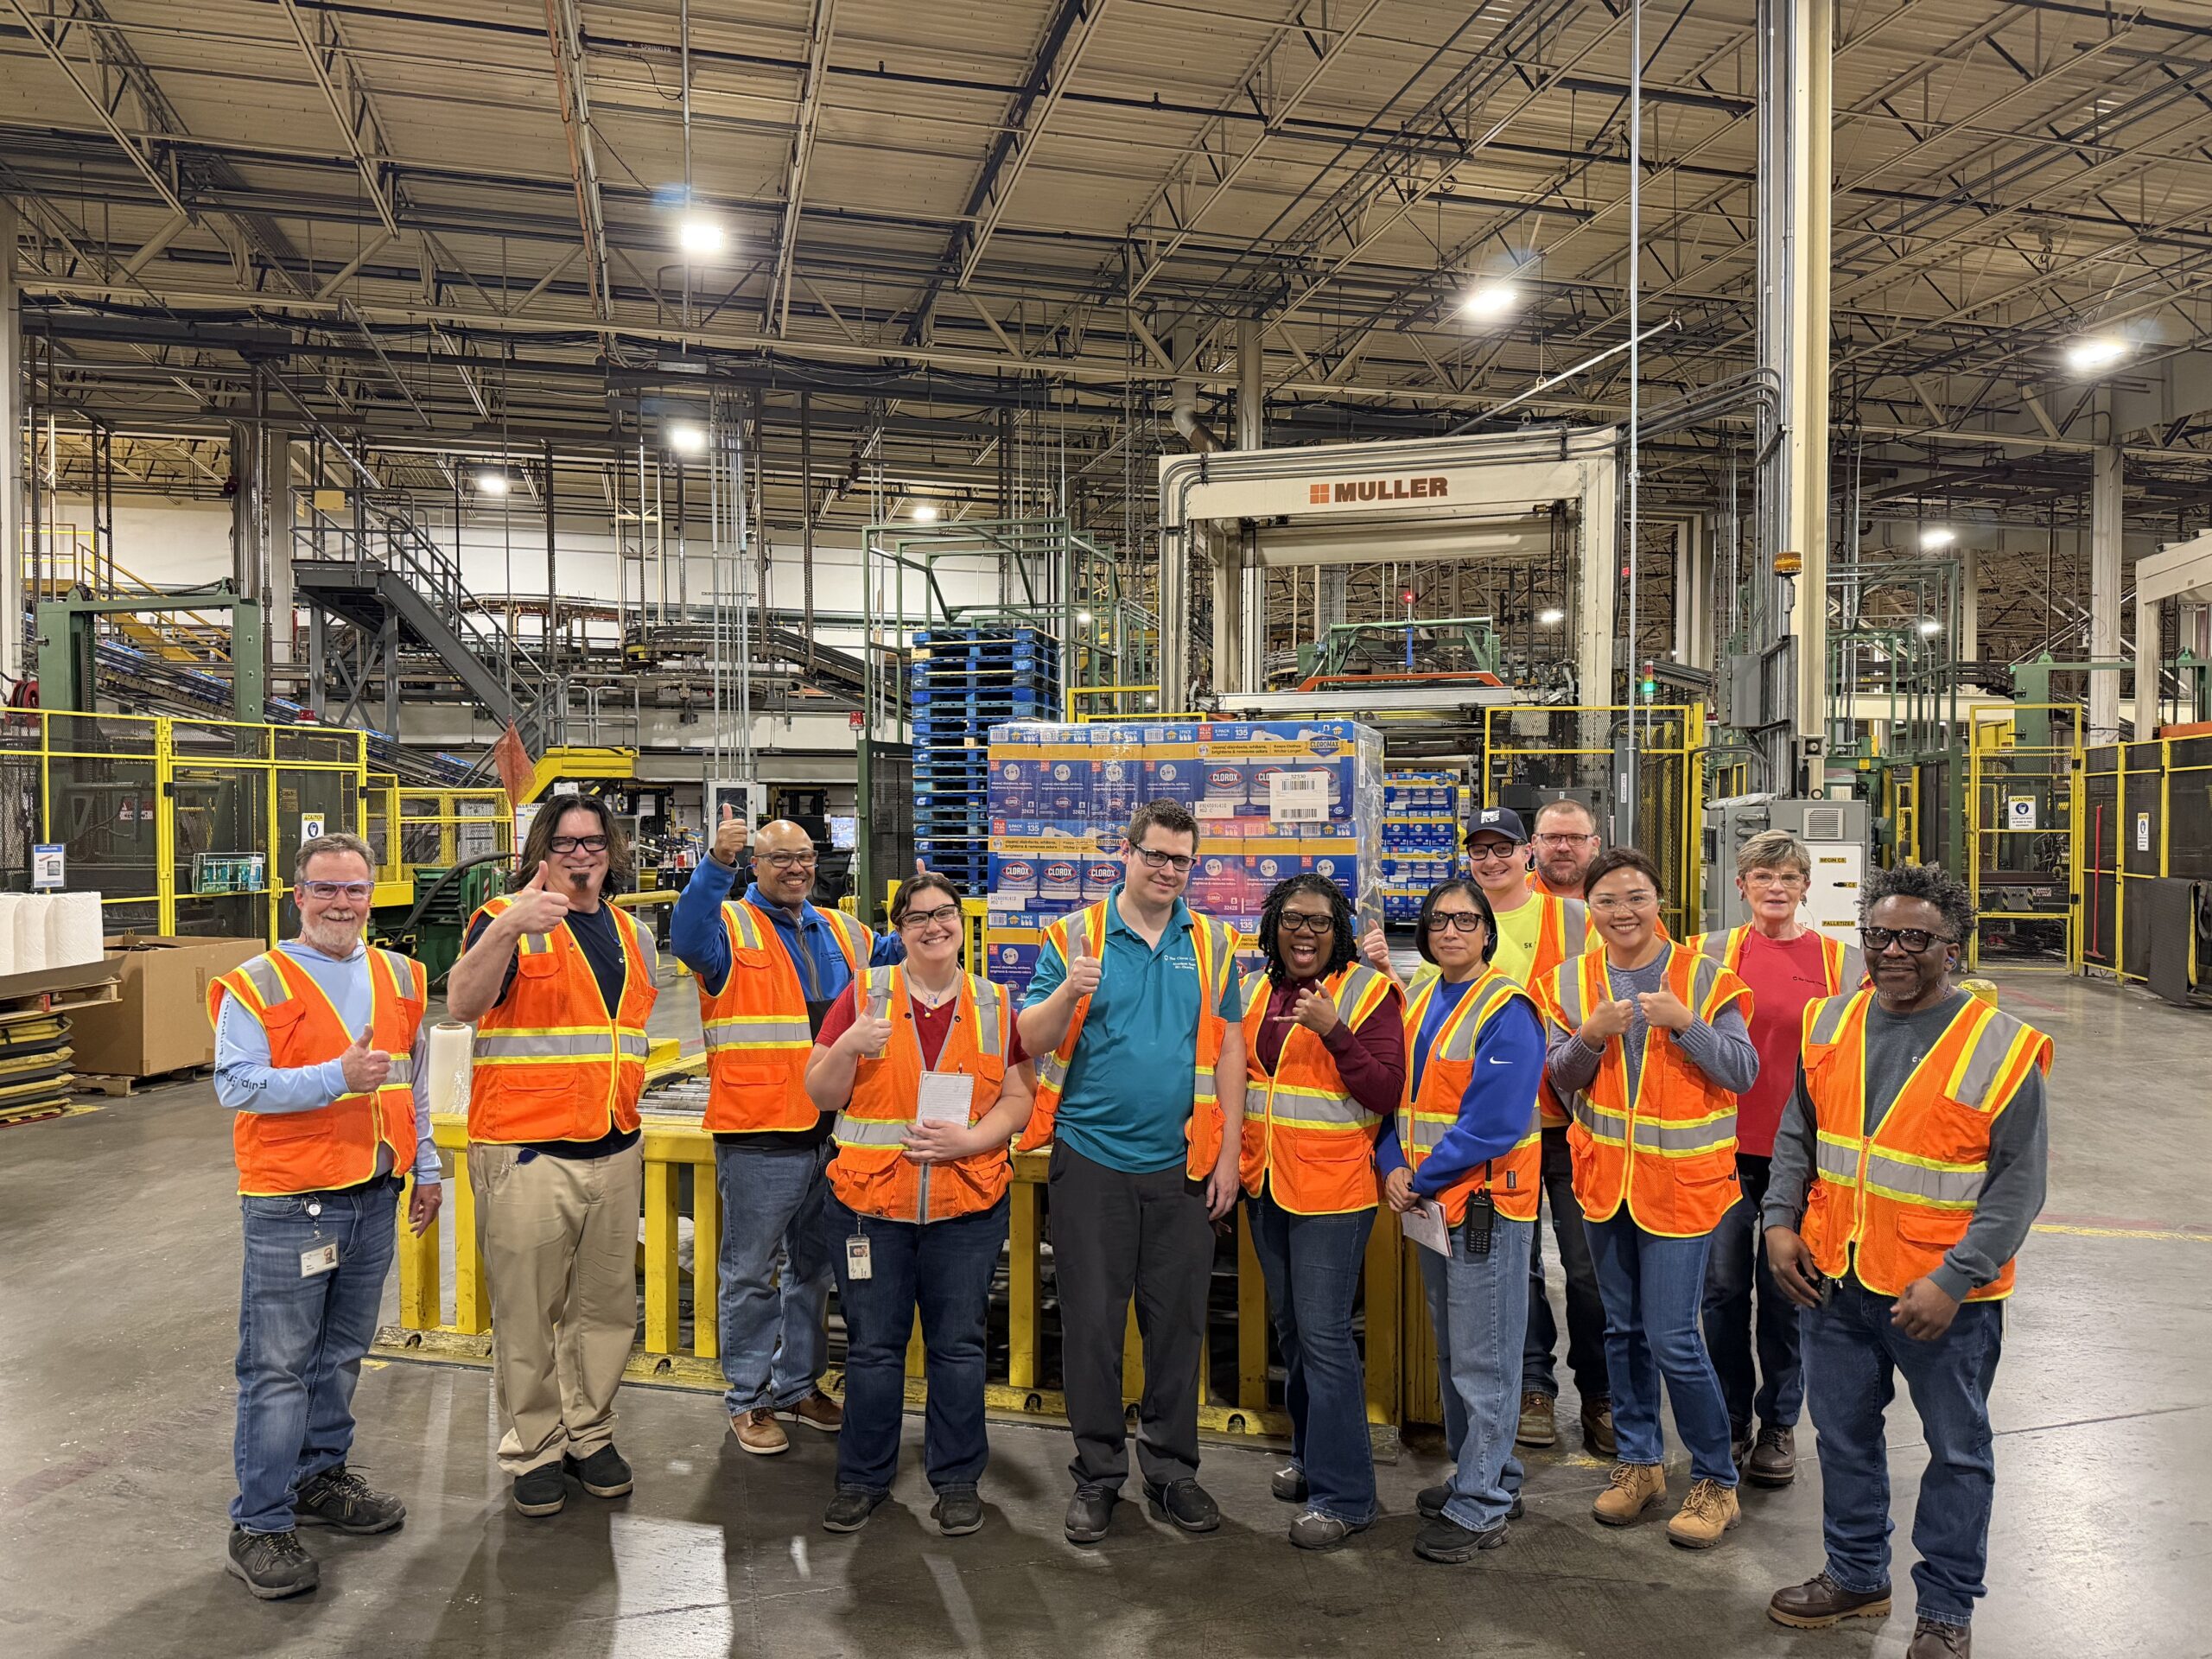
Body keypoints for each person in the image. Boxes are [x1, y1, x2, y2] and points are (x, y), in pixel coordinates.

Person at [1764, 865, 2050, 1659]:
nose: (1893, 951)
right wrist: (1779, 1221)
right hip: (1833, 1280)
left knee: (1958, 1454)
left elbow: (2018, 1185)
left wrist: (1956, 1278)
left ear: (1952, 948)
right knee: (1843, 1438)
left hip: (1941, 1302)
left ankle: (1947, 1611)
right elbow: (1797, 1132)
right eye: (1880, 935)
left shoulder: (1999, 1045)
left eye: (1915, 938)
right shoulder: (1831, 1022)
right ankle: (1857, 1576)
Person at [209, 832, 440, 1599]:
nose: (342, 903)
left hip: (375, 1193)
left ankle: (320, 1477)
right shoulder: (257, 982)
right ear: (297, 895)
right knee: (277, 1369)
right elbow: (237, 1085)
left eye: (354, 889)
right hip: (291, 1202)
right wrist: (334, 1076)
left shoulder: (401, 974)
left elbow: (413, 1083)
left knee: (341, 1354)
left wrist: (426, 1167)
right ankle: (259, 1523)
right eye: (326, 889)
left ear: (372, 895)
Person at [1015, 798, 1246, 1545]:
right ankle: (1098, 1474)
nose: (1167, 870)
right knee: (1091, 1325)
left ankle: (1173, 1471)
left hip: (1184, 1166)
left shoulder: (1212, 942)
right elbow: (1029, 1037)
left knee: (1176, 1325)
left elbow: (1231, 1049)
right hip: (1091, 1161)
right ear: (1126, 852)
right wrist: (1068, 990)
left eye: (1181, 859)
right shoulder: (1073, 936)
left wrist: (1230, 1152)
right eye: (1155, 855)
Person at [802, 874, 1038, 1537]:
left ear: (961, 922)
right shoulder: (866, 994)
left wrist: (973, 1140)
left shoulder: (994, 1003)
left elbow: (1019, 1098)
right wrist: (848, 1046)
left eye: (944, 914)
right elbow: (820, 1094)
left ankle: (957, 1482)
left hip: (966, 1208)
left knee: (958, 1348)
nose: (933, 926)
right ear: (898, 929)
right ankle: (862, 1479)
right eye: (917, 917)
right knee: (874, 1349)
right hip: (871, 1207)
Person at [1536, 847, 1758, 1548]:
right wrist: (1589, 1037)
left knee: (1673, 1338)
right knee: (1621, 1331)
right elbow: (1560, 1076)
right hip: (1605, 1185)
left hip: (1682, 1189)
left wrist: (1686, 1023)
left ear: (1659, 901)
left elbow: (1743, 1072)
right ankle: (1641, 1464)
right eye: (1606, 901)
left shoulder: (1705, 979)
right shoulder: (1569, 981)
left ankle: (1716, 1479)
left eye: (1635, 897)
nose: (1621, 912)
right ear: (1589, 909)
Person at [448, 795, 660, 1517]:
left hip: (615, 1145)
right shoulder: (504, 919)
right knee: (527, 1313)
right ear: (541, 851)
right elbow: (463, 1003)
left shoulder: (633, 934)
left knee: (606, 1308)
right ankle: (534, 1447)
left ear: (611, 851)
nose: (580, 855)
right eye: (565, 843)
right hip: (528, 1150)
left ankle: (589, 1433)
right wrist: (511, 925)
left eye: (593, 842)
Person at [670, 810, 903, 1456]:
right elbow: (686, 935)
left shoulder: (842, 929)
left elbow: (896, 957)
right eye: (780, 859)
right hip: (761, 1131)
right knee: (751, 1273)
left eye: (804, 858)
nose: (797, 869)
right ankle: (748, 1398)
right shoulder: (727, 926)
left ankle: (798, 1384)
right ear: (756, 865)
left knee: (814, 1271)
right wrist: (714, 864)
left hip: (837, 1130)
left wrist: (929, 914)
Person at [1373, 880, 1548, 1566]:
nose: (1451, 931)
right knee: (1454, 1353)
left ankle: (1481, 1505)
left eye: (1466, 920)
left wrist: (1419, 1178)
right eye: (1439, 919)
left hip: (1484, 1208)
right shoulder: (1421, 997)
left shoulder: (1508, 1008)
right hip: (1431, 1203)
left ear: (1487, 933)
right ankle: (1490, 1472)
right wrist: (1393, 1163)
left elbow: (1494, 1123)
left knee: (1486, 1359)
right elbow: (1398, 1101)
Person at [1691, 830, 1865, 1487]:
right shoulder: (1710, 954)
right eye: (1763, 877)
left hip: (1802, 1157)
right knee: (1722, 1291)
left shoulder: (1841, 964)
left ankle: (1779, 1423)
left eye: (1788, 877)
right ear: (1741, 886)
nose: (1776, 888)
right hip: (1724, 1150)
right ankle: (1731, 1416)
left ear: (1805, 887)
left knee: (1788, 1295)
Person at [1236, 874, 1402, 1550]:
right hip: (1266, 1184)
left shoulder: (1367, 993)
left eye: (1320, 922)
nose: (1304, 933)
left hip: (1334, 1192)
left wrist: (1336, 1032)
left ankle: (1348, 1496)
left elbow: (1386, 1089)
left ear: (1340, 933)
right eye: (1293, 920)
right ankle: (1311, 1457)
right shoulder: (1255, 990)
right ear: (1274, 926)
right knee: (1294, 1332)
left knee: (1325, 1336)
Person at [1456, 806, 1612, 1459]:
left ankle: (1600, 1392)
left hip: (1573, 1121)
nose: (1492, 861)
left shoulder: (1575, 919)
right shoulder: (1456, 918)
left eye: (1504, 849)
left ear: (1527, 855)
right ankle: (1533, 1387)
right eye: (1480, 851)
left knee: (1588, 1268)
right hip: (1499, 1130)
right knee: (1514, 1270)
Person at [1527, 798, 1602, 899]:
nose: (1563, 848)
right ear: (1534, 843)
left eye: (1576, 838)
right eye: (1552, 837)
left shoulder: (1616, 896)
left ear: (1595, 844)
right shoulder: (1511, 896)